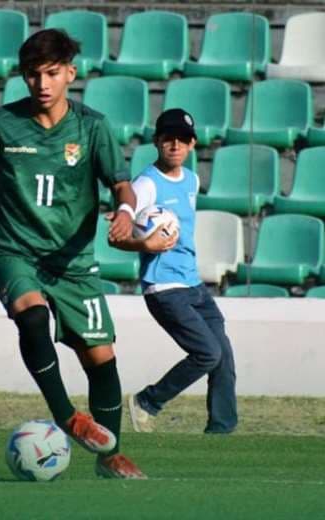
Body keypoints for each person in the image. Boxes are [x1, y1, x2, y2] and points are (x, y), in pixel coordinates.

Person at [0, 29, 145, 479]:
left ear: (70, 74)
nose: (42, 83)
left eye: (52, 74)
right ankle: (65, 416)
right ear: (22, 77)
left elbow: (120, 181)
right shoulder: (0, 123)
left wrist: (125, 209)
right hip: (15, 252)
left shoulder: (92, 126)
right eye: (33, 75)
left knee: (102, 358)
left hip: (74, 264)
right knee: (32, 316)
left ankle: (109, 456)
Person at [114, 108, 238, 434]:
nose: (175, 145)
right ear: (156, 141)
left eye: (182, 139)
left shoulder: (192, 180)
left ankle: (221, 432)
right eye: (168, 138)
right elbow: (117, 237)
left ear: (193, 144)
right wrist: (147, 245)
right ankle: (147, 401)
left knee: (223, 355)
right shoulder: (145, 184)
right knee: (207, 353)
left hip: (193, 284)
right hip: (164, 288)